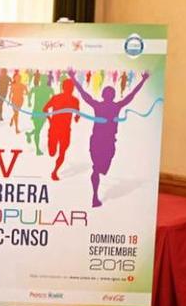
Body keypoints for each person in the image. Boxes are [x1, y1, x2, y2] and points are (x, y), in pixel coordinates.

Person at [67, 67, 150, 207]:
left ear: (105, 95)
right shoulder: (114, 106)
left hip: (103, 142)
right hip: (102, 142)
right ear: (110, 95)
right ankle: (95, 197)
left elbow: (84, 94)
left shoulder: (103, 106)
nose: (109, 95)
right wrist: (143, 80)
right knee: (97, 168)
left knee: (100, 168)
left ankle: (96, 185)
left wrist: (73, 77)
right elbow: (131, 95)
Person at [42, 77, 81, 181]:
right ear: (64, 88)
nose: (70, 89)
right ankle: (54, 169)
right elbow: (44, 109)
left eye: (71, 87)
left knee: (62, 152)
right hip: (54, 129)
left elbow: (77, 117)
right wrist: (50, 119)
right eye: (69, 87)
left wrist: (77, 116)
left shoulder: (75, 101)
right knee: (52, 153)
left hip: (65, 131)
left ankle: (54, 172)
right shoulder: (56, 98)